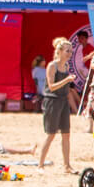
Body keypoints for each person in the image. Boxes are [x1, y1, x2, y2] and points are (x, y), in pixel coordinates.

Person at [37, 38, 77, 171]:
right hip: (52, 101)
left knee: (66, 134)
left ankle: (67, 165)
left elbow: (65, 87)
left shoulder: (66, 67)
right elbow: (51, 86)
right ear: (59, 51)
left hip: (63, 101)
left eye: (71, 51)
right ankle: (40, 164)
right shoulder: (52, 66)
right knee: (51, 134)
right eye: (67, 51)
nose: (69, 53)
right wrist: (66, 80)